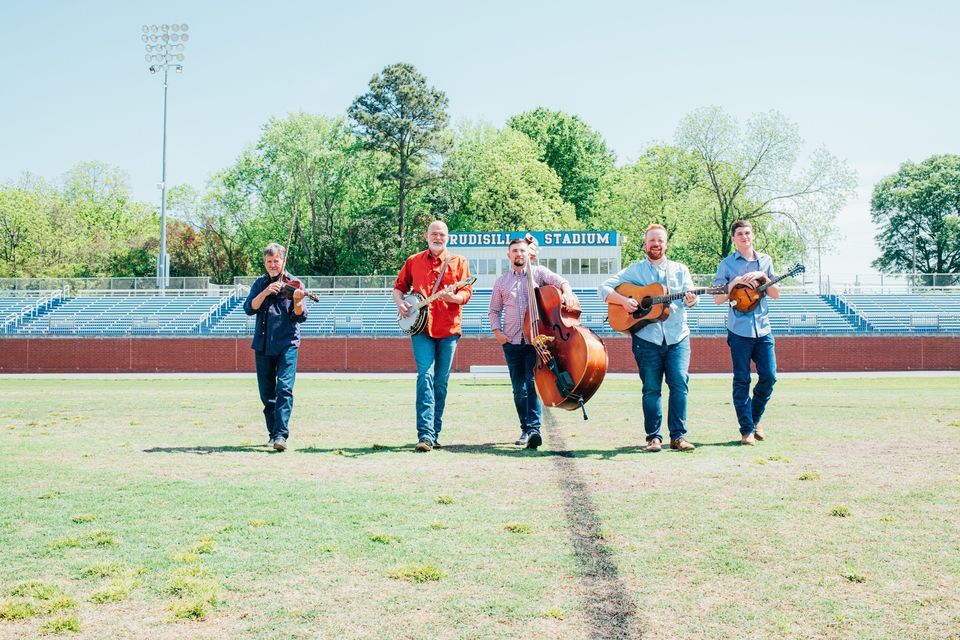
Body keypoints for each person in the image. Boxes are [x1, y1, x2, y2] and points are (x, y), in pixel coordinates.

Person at [600, 224, 697, 452]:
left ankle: (678, 437)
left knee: (680, 385)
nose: (656, 244)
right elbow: (604, 288)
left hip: (677, 337)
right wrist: (624, 301)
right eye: (652, 240)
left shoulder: (680, 270)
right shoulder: (634, 271)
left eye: (660, 240)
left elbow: (691, 298)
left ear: (666, 244)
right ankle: (653, 438)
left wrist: (692, 300)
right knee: (651, 388)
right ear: (645, 244)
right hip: (646, 339)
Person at [488, 237, 577, 449]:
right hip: (511, 341)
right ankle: (525, 428)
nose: (519, 254)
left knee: (531, 384)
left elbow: (562, 281)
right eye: (515, 251)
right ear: (509, 256)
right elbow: (494, 310)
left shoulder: (539, 273)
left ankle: (534, 430)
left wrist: (567, 291)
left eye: (522, 251)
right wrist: (498, 332)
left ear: (529, 254)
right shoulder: (501, 282)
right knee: (518, 389)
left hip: (535, 340)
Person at [393, 220, 473, 452]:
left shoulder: (459, 262)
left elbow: (466, 293)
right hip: (420, 330)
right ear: (426, 236)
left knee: (440, 382)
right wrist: (400, 303)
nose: (438, 238)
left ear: (448, 237)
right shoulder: (413, 261)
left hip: (448, 330)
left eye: (442, 234)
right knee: (424, 377)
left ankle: (435, 432)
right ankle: (425, 435)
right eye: (434, 234)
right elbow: (399, 288)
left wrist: (453, 298)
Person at [712, 219, 780, 445]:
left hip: (763, 329)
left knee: (769, 377)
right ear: (733, 239)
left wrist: (764, 277)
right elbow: (718, 299)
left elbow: (775, 294)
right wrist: (735, 282)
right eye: (739, 234)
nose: (744, 237)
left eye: (748, 233)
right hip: (738, 330)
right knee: (742, 379)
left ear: (753, 236)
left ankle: (755, 417)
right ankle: (747, 430)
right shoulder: (727, 265)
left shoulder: (766, 261)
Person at [243, 243, 307, 452]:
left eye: (276, 261)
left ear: (283, 261)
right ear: (265, 262)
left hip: (287, 343)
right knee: (267, 394)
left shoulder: (294, 283)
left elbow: (300, 316)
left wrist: (298, 301)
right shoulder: (260, 283)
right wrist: (265, 292)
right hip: (263, 343)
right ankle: (273, 434)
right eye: (269, 262)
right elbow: (249, 308)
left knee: (284, 389)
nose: (272, 265)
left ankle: (281, 435)